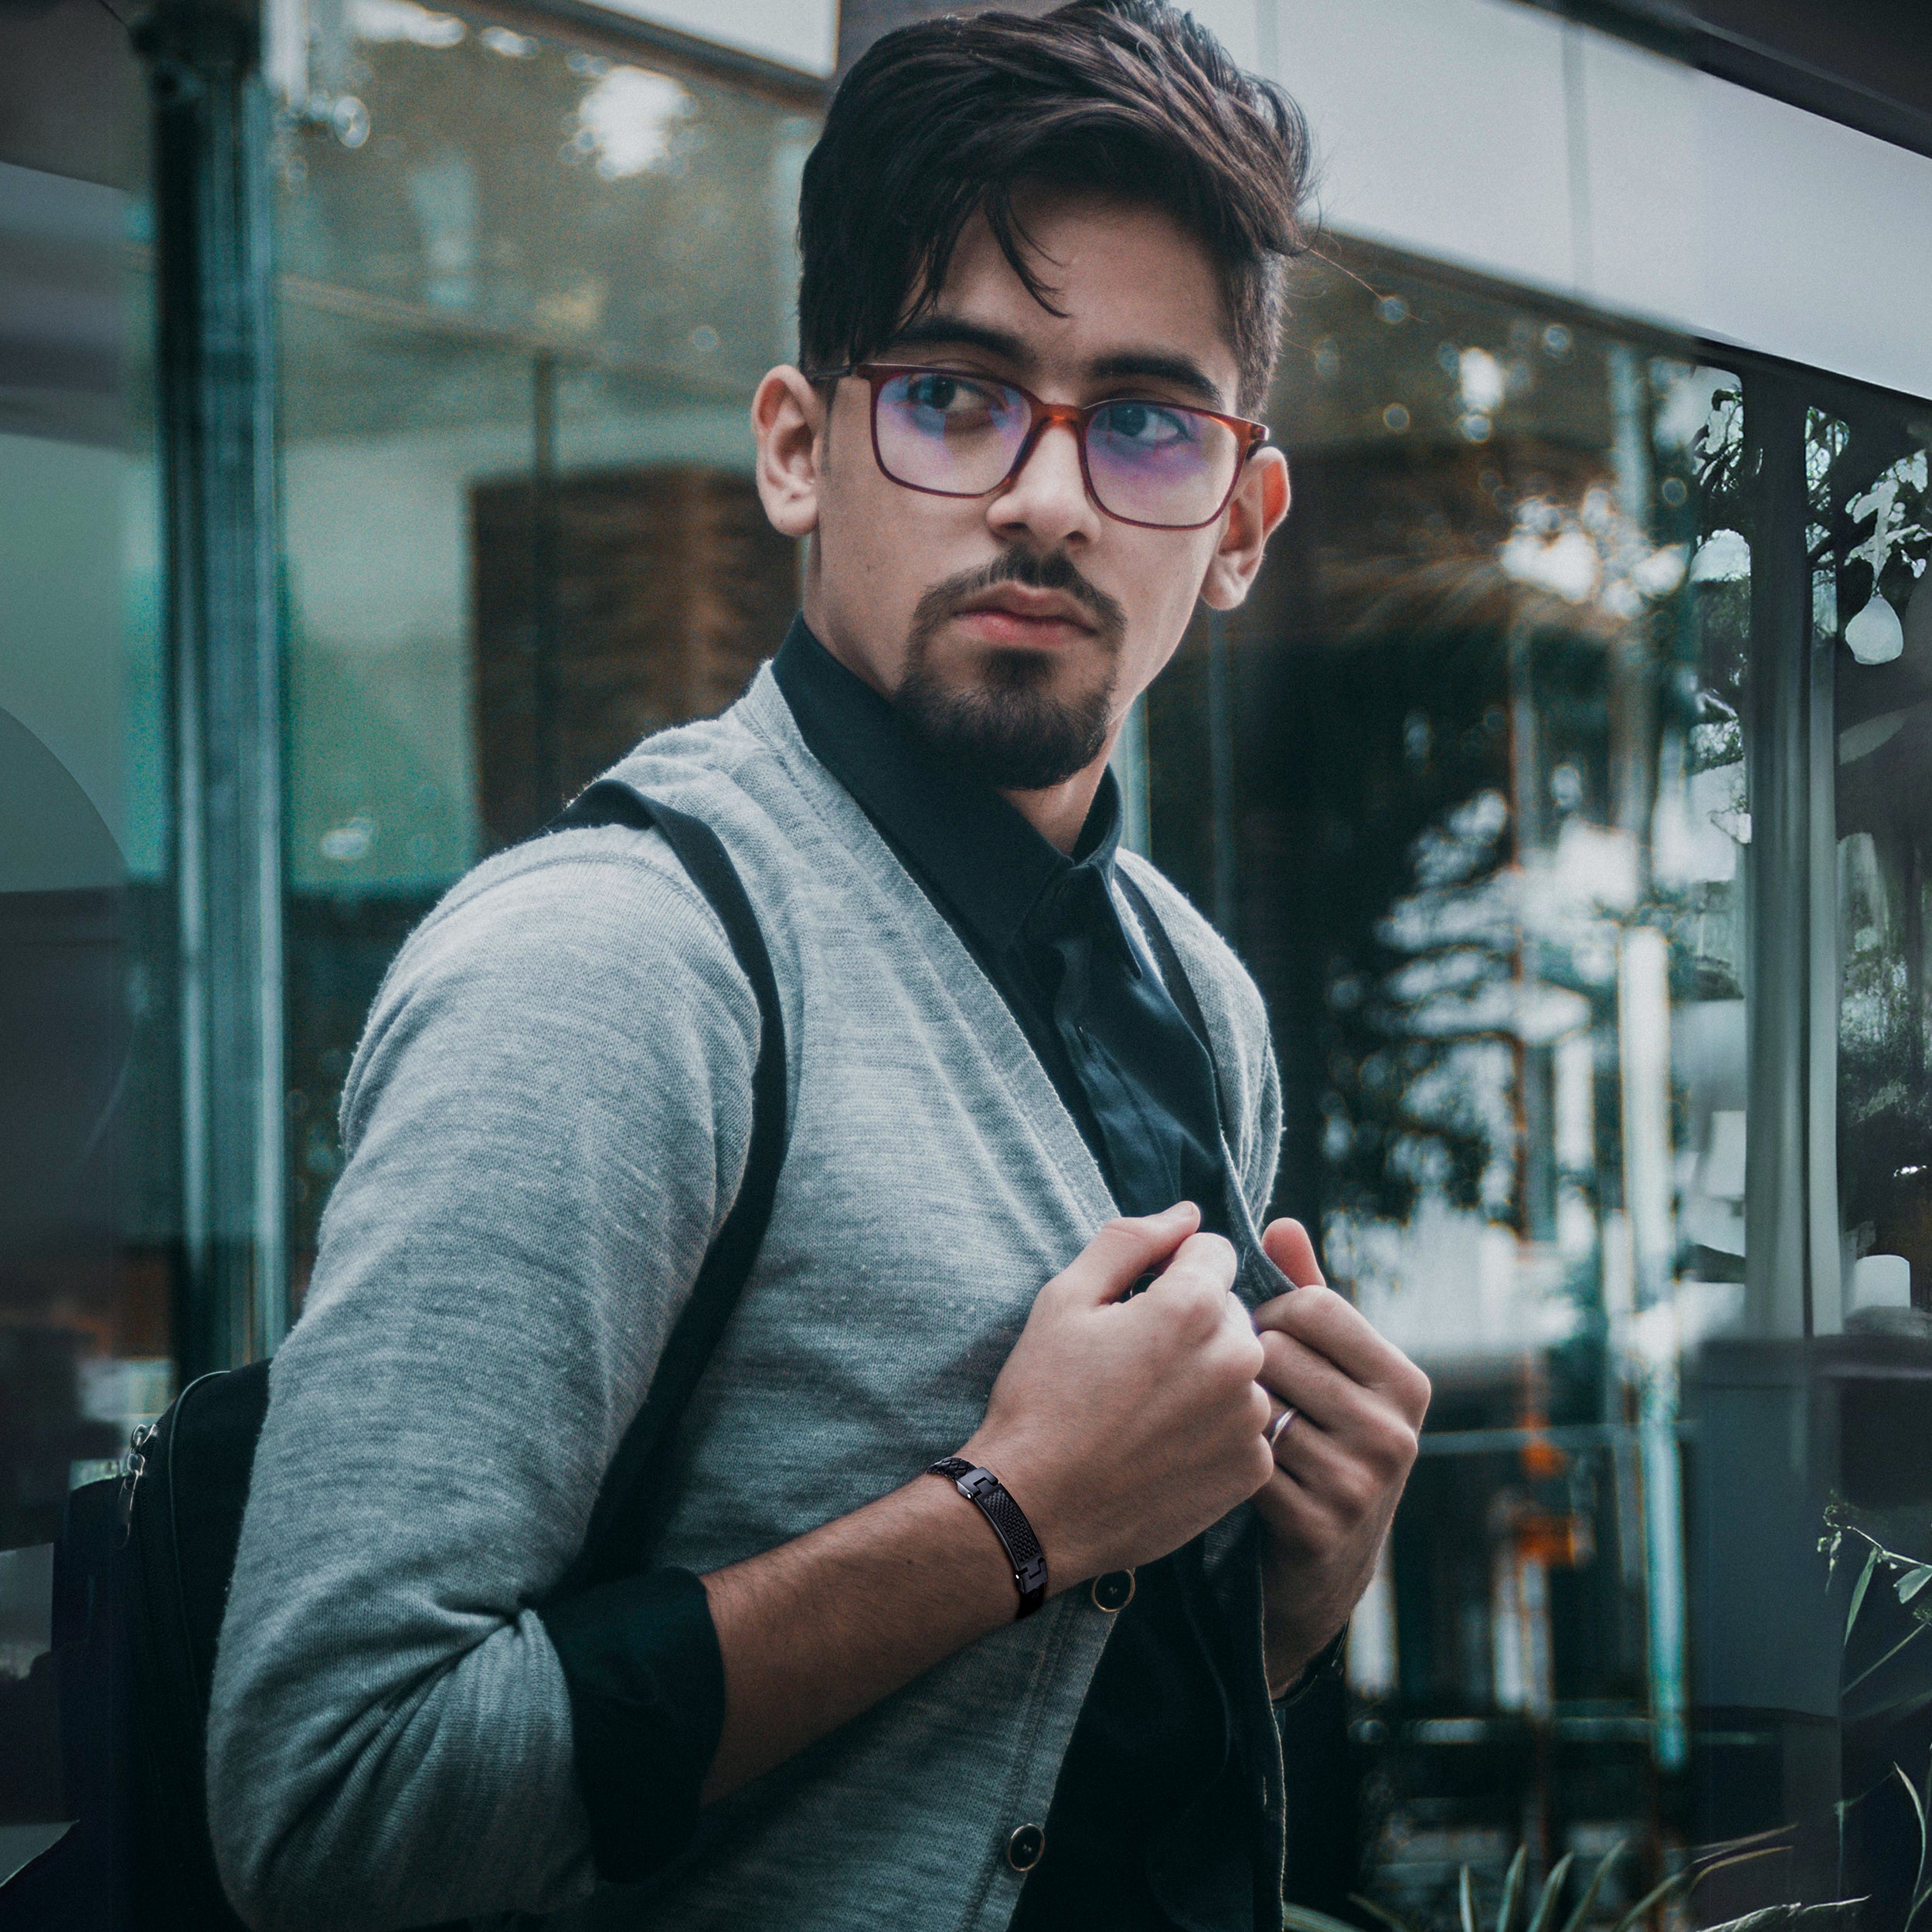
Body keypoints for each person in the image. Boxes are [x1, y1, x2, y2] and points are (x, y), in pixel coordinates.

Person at [206, 4, 1432, 1928]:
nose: (1044, 496)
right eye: (953, 393)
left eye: (1140, 421)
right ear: (798, 448)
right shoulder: (614, 966)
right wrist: (1011, 1515)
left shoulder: (1198, 998)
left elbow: (1016, 1773)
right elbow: (331, 1806)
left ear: (1239, 524)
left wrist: (1268, 1594)